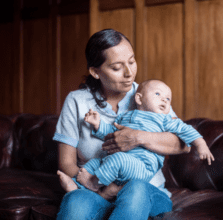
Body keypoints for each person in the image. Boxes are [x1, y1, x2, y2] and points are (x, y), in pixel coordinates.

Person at [53, 29, 192, 220]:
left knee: (135, 188)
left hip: (147, 191)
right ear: (95, 71)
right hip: (96, 191)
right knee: (75, 202)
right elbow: (66, 163)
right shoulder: (77, 102)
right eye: (117, 68)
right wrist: (103, 189)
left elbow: (184, 143)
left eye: (132, 62)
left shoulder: (148, 96)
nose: (129, 73)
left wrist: (137, 137)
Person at [57, 79, 214, 198]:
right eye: (158, 95)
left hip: (142, 167)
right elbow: (113, 133)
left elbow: (185, 131)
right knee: (94, 163)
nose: (164, 101)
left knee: (117, 159)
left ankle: (93, 185)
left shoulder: (165, 120)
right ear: (138, 99)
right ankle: (78, 187)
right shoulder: (127, 116)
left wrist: (201, 144)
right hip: (121, 165)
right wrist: (98, 125)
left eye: (168, 99)